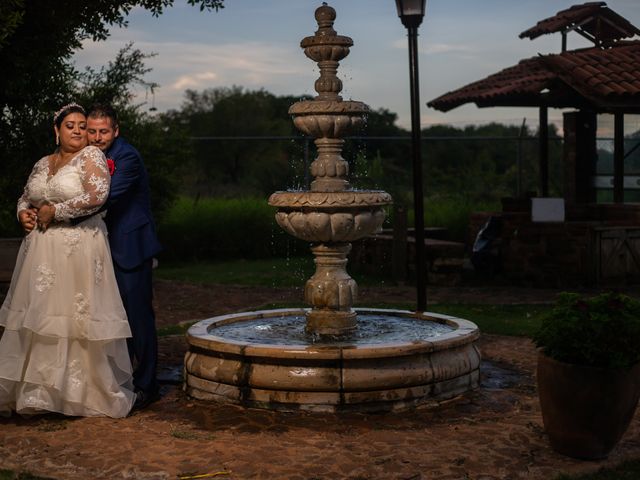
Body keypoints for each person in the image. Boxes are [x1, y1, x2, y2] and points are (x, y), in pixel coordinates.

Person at [0, 103, 135, 417]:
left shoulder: (91, 157)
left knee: (73, 318)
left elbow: (97, 195)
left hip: (80, 247)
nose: (77, 130)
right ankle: (38, 393)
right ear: (56, 130)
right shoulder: (43, 163)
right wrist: (22, 212)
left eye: (81, 125)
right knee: (41, 318)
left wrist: (55, 211)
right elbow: (26, 195)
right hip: (40, 251)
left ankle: (77, 393)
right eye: (70, 125)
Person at [86, 104, 162, 409]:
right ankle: (122, 379)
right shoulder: (88, 155)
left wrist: (62, 211)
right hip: (100, 248)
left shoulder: (126, 156)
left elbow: (104, 197)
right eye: (92, 131)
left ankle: (148, 385)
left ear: (116, 131)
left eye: (103, 131)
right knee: (113, 318)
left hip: (130, 247)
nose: (97, 137)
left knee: (138, 318)